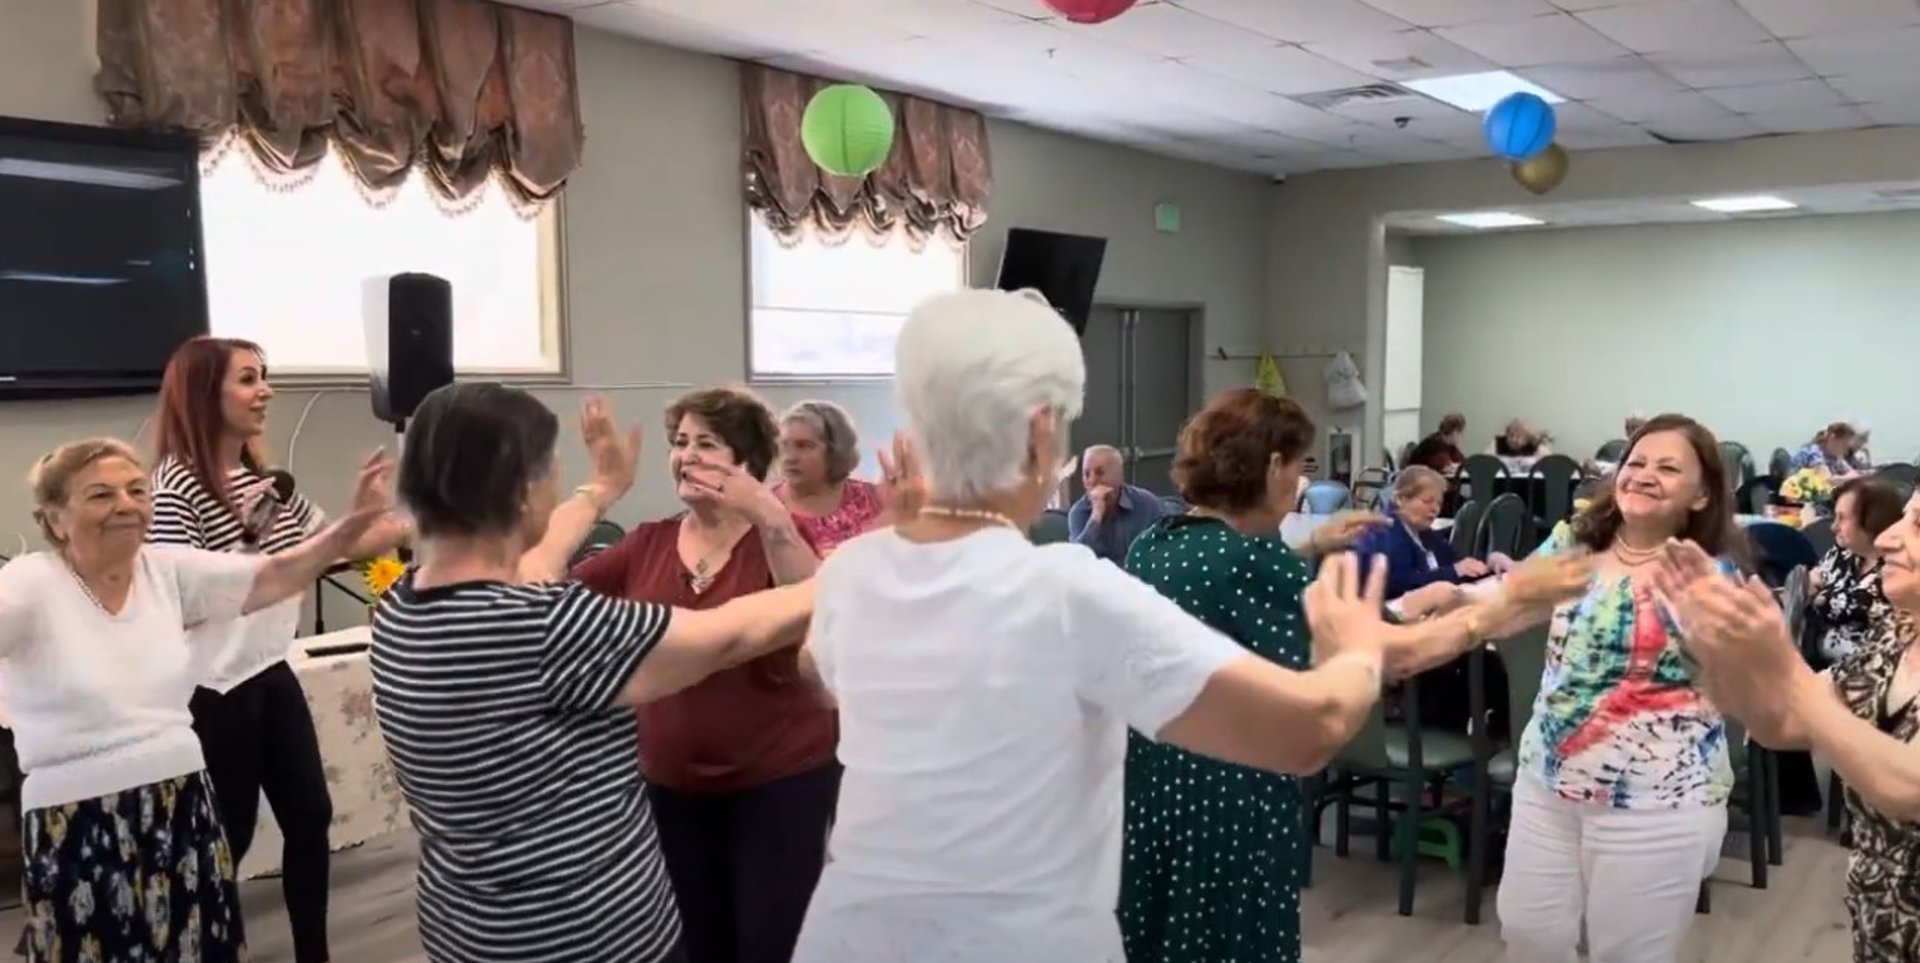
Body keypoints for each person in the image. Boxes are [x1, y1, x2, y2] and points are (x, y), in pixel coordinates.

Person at [786, 289, 1591, 962]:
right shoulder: (1064, 586)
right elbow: (1310, 731)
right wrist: (1384, 642)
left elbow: (819, 682)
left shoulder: (855, 571)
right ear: (1040, 433)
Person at [369, 383, 819, 963]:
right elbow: (732, 634)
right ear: (523, 490)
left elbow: (526, 573)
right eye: (552, 469)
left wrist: (601, 488)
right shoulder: (548, 624)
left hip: (470, 931)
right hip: (590, 936)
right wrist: (886, 556)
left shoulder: (402, 606)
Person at [1116, 389, 1514, 963]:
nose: (1301, 482)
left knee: (1169, 925)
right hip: (1233, 788)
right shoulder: (1254, 560)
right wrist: (1487, 609)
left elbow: (1228, 594)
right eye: (1299, 465)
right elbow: (1376, 649)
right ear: (1273, 466)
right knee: (1234, 933)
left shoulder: (1155, 542)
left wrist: (1312, 544)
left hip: (1159, 774)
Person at [1, 437, 391, 963]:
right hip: (78, 821)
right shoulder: (28, 585)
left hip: (183, 806)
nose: (125, 504)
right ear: (55, 517)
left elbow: (274, 575)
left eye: (137, 490)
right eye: (100, 495)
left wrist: (350, 526)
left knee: (199, 948)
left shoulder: (165, 569)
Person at [145, 336, 408, 963]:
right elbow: (182, 593)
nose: (264, 391)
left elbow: (346, 544)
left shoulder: (269, 485)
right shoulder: (173, 484)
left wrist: (440, 514)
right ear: (202, 393)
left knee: (311, 818)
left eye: (264, 377)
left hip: (271, 672)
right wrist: (267, 550)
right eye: (246, 379)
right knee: (227, 837)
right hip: (213, 689)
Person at [558, 387, 834, 963]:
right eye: (680, 442)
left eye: (707, 444)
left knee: (768, 944)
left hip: (778, 782)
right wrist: (594, 491)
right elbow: (551, 596)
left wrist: (769, 516)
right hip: (669, 785)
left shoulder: (781, 539)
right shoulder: (646, 544)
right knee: (692, 941)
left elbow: (819, 614)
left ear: (748, 465)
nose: (686, 455)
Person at [1496, 413, 1746, 963]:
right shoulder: (1573, 543)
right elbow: (1510, 602)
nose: (1644, 474)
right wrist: (1448, 602)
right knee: (1527, 932)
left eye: (1668, 467)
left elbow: (1734, 691)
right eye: (1636, 462)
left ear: (1702, 495)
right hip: (1547, 783)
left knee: (1627, 954)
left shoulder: (1708, 575)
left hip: (1657, 802)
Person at [1658, 514, 1920, 962]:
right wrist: (1713, 649)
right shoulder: (1900, 631)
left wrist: (1785, 663)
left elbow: (1908, 789)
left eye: (1918, 526)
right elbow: (1782, 726)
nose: (1886, 538)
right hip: (1882, 918)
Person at [1352, 465, 1516, 738]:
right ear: (1401, 499)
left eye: (1438, 502)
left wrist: (1489, 564)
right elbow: (1394, 583)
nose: (1435, 509)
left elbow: (1456, 565)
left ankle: (1496, 731)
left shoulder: (1424, 534)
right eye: (1427, 501)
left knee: (1490, 666)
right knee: (1479, 668)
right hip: (1397, 638)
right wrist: (1451, 573)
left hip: (1427, 628)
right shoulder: (1383, 535)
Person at [1809, 477, 1904, 664]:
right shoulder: (1844, 553)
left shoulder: (1897, 571)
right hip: (1814, 655)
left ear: (1871, 521)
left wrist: (1818, 596)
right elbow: (1813, 580)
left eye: (1842, 518)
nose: (1833, 526)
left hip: (1863, 672)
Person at [773, 400, 885, 555]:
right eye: (784, 445)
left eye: (803, 446)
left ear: (835, 451)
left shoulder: (873, 500)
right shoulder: (765, 507)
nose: (789, 457)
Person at [1066, 443, 1164, 563]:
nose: (1091, 481)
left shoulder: (1146, 504)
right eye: (1086, 474)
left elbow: (1161, 550)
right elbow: (1079, 561)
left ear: (1119, 476)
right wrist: (1096, 516)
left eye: (1100, 473)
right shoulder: (1078, 513)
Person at [1790, 422, 1862, 477]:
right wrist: (1846, 478)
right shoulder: (1813, 452)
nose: (1846, 451)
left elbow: (1853, 473)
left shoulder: (1835, 456)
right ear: (1833, 438)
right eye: (1844, 445)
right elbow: (1826, 478)